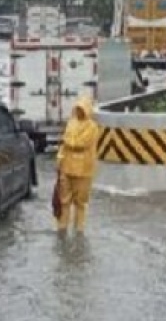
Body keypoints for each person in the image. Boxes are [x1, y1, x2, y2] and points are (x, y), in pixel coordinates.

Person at [55, 95, 101, 234]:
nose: (80, 111)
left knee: (80, 203)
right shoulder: (71, 123)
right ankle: (62, 228)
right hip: (66, 169)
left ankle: (79, 229)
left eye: (82, 109)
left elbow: (81, 144)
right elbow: (64, 143)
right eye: (78, 109)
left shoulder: (92, 127)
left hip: (83, 171)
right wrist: (59, 160)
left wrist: (70, 141)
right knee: (64, 201)